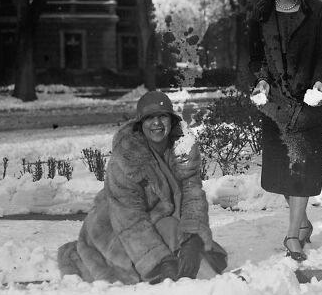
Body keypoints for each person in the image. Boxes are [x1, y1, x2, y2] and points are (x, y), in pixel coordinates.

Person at [57, 91, 227, 284]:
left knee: (193, 249)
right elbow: (130, 218)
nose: (157, 123)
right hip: (115, 223)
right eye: (149, 118)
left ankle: (208, 280)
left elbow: (193, 196)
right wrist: (160, 260)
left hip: (160, 219)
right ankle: (207, 282)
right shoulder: (125, 159)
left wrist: (193, 237)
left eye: (162, 116)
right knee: (167, 252)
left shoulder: (182, 150)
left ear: (171, 121)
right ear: (140, 124)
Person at [249, 0, 322, 262]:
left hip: (309, 101)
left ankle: (291, 236)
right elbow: (255, 57)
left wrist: (320, 81)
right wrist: (259, 80)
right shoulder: (259, 14)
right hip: (275, 105)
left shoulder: (317, 11)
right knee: (283, 171)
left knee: (302, 169)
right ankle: (303, 221)